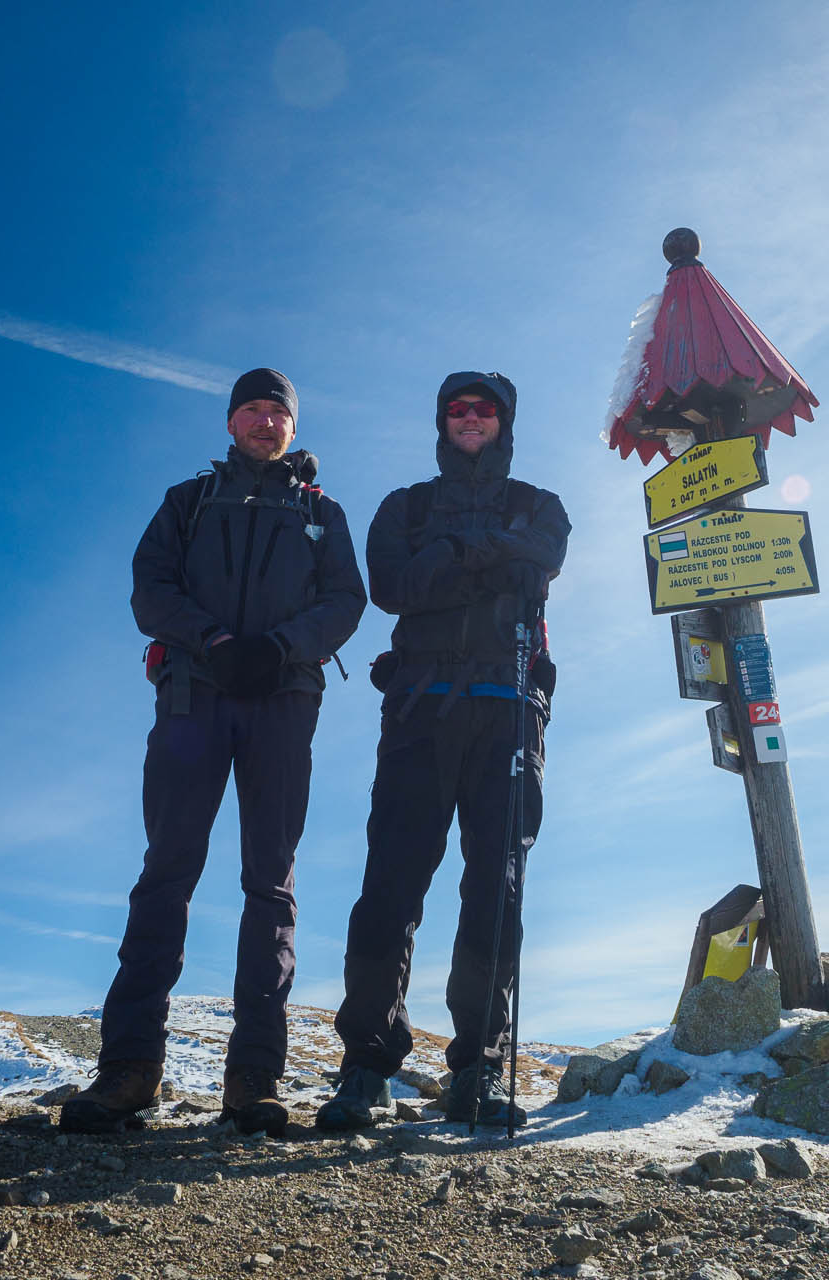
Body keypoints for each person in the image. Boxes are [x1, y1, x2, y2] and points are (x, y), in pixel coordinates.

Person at [61, 368, 366, 1138]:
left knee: (271, 884)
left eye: (278, 413)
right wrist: (218, 642)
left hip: (284, 706)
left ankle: (253, 1082)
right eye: (253, 410)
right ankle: (129, 1072)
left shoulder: (323, 515)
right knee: (167, 872)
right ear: (232, 421)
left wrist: (279, 649)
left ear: (293, 427)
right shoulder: (187, 502)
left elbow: (345, 602)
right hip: (193, 700)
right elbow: (149, 586)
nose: (266, 423)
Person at [317, 370, 569, 1130]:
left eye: (484, 410)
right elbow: (393, 588)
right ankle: (365, 1067)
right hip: (420, 711)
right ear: (442, 421)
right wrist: (484, 553)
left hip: (510, 706)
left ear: (504, 422)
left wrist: (450, 560)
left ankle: (478, 1071)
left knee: (496, 891)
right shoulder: (405, 506)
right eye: (457, 409)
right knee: (390, 887)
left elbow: (540, 562)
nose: (470, 418)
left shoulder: (541, 505)